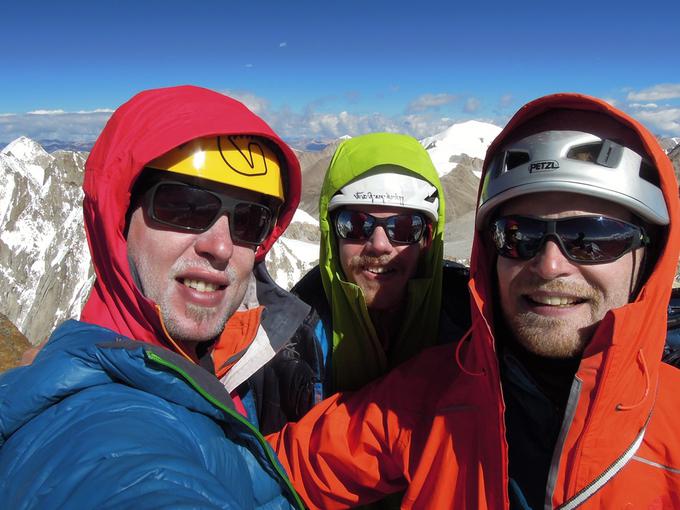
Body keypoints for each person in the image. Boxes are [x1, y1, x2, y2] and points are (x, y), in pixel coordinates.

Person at [269, 93, 680, 509]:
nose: (550, 265)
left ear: (648, 258)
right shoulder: (420, 402)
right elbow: (272, 474)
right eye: (518, 236)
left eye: (591, 239)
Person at [0, 85, 305, 509]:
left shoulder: (210, 362)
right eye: (185, 206)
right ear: (120, 219)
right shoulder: (103, 430)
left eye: (249, 220)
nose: (219, 246)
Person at [292, 132, 470, 394]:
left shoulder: (474, 326)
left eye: (404, 227)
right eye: (354, 224)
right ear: (332, 235)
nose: (379, 244)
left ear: (427, 240)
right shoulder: (288, 346)